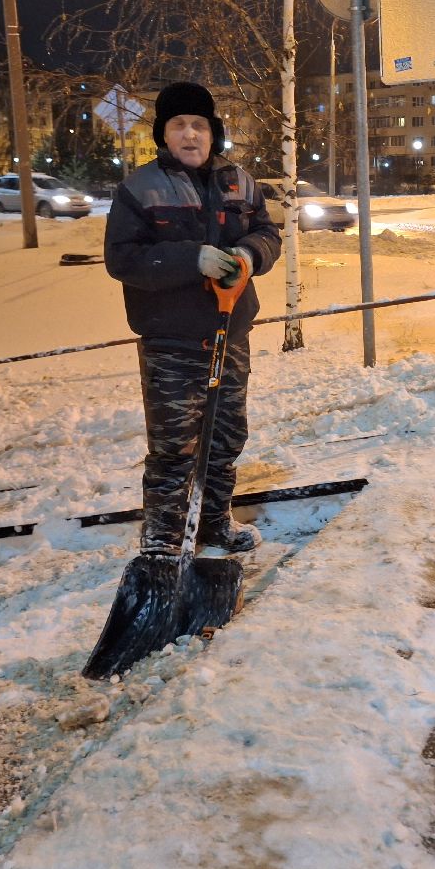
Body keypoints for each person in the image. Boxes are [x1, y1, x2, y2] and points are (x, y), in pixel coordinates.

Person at [104, 81, 281, 556]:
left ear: (212, 132)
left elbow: (268, 232)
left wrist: (247, 253)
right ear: (164, 134)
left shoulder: (240, 181)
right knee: (174, 448)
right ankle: (162, 540)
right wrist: (191, 260)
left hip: (231, 332)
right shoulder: (139, 189)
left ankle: (213, 523)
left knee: (224, 438)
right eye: (179, 125)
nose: (189, 134)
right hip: (171, 341)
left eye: (198, 125)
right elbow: (122, 258)